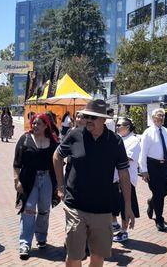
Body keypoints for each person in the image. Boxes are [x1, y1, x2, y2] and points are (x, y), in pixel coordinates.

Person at [53, 99, 135, 267]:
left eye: (94, 117)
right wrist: (60, 186)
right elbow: (57, 156)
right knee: (75, 256)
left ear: (104, 120)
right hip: (76, 206)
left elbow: (124, 174)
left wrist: (128, 206)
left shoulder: (115, 141)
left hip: (103, 209)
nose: (88, 120)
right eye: (87, 116)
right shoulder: (75, 135)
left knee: (98, 258)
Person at [13, 113, 59, 260]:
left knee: (44, 210)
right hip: (29, 179)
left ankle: (41, 238)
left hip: (47, 179)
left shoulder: (52, 141)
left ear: (46, 125)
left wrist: (59, 184)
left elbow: (58, 163)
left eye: (38, 123)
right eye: (33, 123)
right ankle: (25, 243)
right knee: (28, 210)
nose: (35, 126)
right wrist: (17, 179)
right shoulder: (25, 139)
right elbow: (16, 163)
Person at [138, 108, 167, 231]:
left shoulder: (166, 131)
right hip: (152, 166)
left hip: (165, 165)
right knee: (159, 193)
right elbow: (143, 152)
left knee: (165, 190)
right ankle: (159, 219)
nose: (161, 118)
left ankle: (152, 202)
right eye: (159, 116)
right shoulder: (148, 133)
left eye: (163, 116)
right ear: (153, 118)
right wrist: (144, 170)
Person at [112, 117, 141, 243]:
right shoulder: (117, 139)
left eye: (120, 125)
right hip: (114, 178)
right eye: (116, 125)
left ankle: (124, 231)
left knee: (125, 206)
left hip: (127, 179)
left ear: (128, 127)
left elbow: (127, 158)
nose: (117, 127)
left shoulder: (134, 140)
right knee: (113, 204)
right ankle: (114, 224)